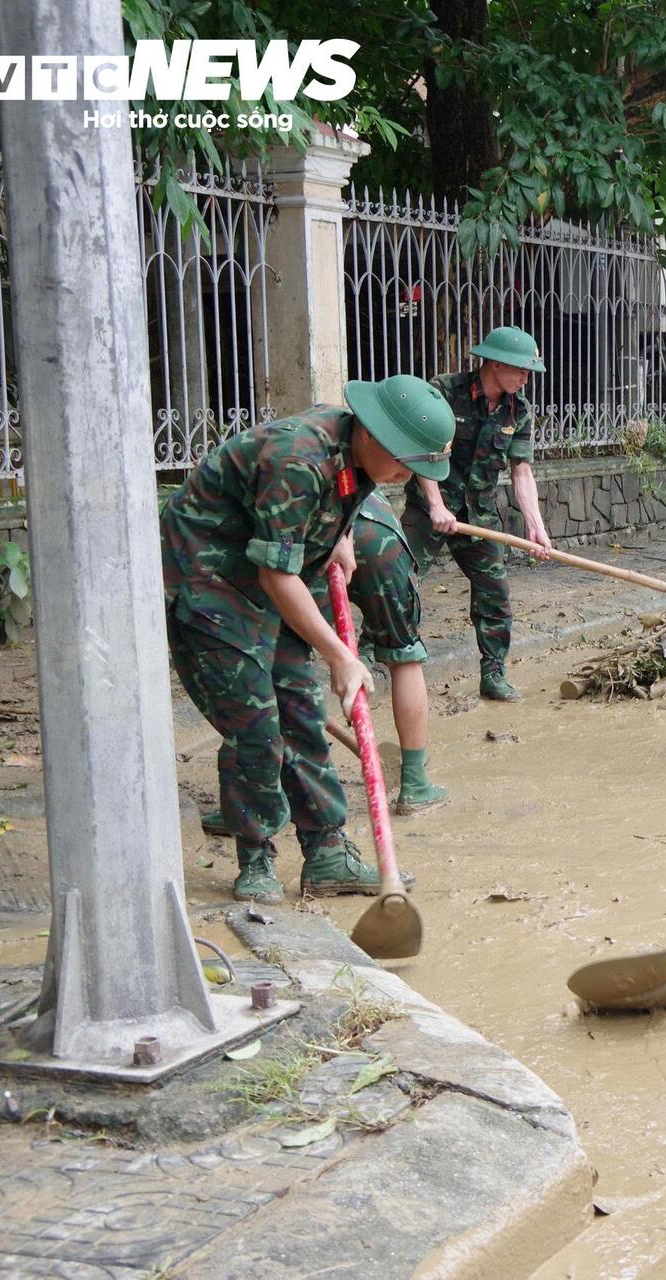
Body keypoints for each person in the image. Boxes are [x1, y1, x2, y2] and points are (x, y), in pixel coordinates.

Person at [162, 375, 455, 902]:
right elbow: (277, 574)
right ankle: (255, 857)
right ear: (377, 437)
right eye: (407, 462)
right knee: (254, 720)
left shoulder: (360, 452)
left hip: (273, 571)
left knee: (299, 703)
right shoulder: (297, 458)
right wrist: (339, 654)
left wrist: (338, 536)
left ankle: (326, 855)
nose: (408, 476)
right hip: (210, 576)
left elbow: (321, 510)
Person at [197, 492, 447, 844]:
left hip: (315, 549)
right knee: (404, 654)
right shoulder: (345, 459)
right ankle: (416, 785)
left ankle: (252, 801)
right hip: (382, 541)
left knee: (272, 662)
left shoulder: (269, 478)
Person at [405, 326, 554, 703]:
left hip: (479, 514)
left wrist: (536, 528)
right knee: (399, 580)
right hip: (431, 505)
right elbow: (423, 450)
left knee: (495, 593)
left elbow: (522, 471)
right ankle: (380, 652)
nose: (525, 378)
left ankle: (494, 672)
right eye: (521, 370)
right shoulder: (443, 391)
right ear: (496, 363)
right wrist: (436, 505)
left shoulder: (519, 411)